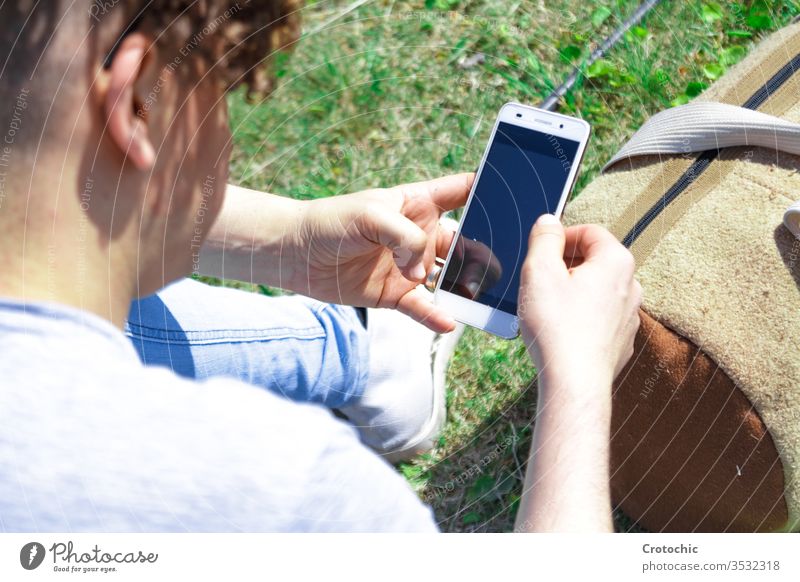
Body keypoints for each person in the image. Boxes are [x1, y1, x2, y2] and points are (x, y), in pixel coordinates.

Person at [0, 1, 641, 532]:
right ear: (141, 104)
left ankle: (362, 353)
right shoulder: (278, 490)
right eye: (223, 101)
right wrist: (578, 377)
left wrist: (291, 238)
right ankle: (361, 349)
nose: (223, 146)